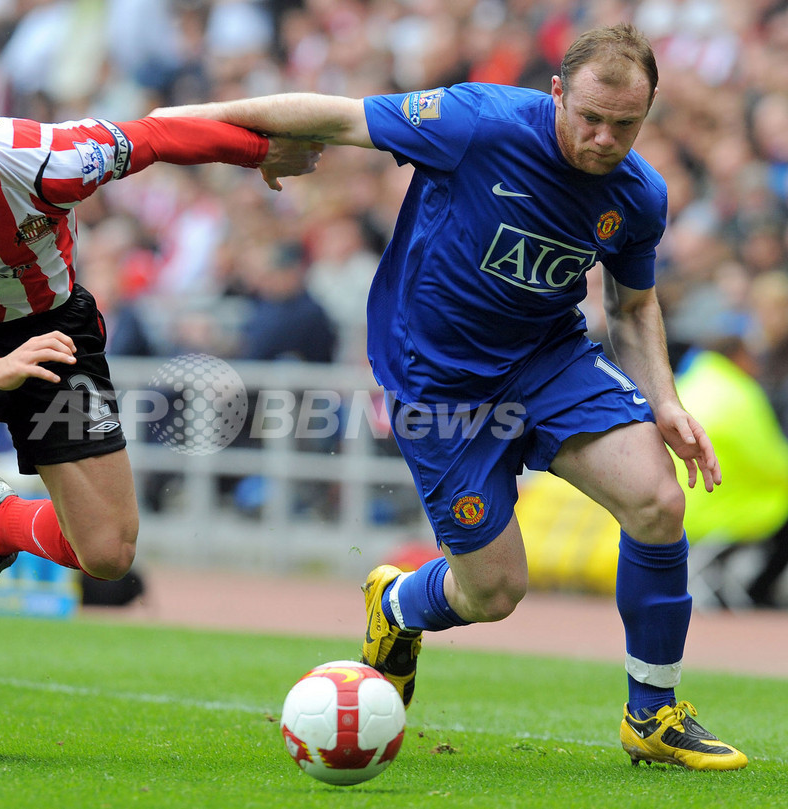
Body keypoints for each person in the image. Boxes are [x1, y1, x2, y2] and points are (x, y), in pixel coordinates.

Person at [151, 23, 748, 770]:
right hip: (436, 380)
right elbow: (339, 116)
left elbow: (632, 308)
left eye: (624, 125)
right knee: (495, 592)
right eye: (589, 117)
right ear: (557, 93)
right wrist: (199, 128)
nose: (602, 138)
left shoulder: (640, 196)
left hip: (547, 359)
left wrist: (663, 401)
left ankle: (652, 715)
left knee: (659, 501)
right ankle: (399, 606)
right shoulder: (476, 122)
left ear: (648, 111)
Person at [0, 96, 321, 759]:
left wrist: (261, 152)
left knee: (108, 554)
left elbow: (155, 134)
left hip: (52, 333)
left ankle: (5, 523)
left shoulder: (46, 157)